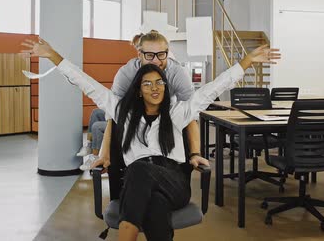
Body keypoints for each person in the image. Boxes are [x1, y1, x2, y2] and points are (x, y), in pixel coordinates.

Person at [21, 37, 280, 241]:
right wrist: (53, 56)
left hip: (174, 181)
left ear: (166, 87)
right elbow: (85, 83)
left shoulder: (177, 113)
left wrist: (247, 60)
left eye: (159, 83)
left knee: (140, 170)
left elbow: (215, 88)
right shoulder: (124, 112)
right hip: (141, 183)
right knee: (155, 207)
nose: (155, 88)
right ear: (138, 89)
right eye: (147, 84)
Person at [78, 31, 186, 171]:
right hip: (133, 114)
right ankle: (90, 145)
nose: (155, 60)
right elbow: (111, 109)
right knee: (97, 113)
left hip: (157, 122)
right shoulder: (127, 73)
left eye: (160, 54)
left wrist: (194, 153)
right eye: (149, 55)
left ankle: (93, 150)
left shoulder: (176, 75)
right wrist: (104, 155)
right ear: (139, 54)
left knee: (98, 126)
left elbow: (191, 111)